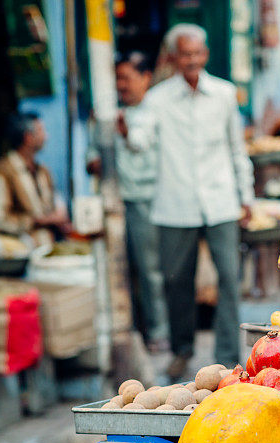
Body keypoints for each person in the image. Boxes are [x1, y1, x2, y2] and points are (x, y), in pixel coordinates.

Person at [124, 24, 254, 378]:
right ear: (174, 57)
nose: (193, 60)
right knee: (176, 281)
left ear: (206, 55)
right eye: (186, 54)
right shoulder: (158, 98)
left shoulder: (225, 94)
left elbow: (236, 148)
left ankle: (227, 356)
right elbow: (141, 139)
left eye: (198, 53)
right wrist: (124, 130)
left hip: (221, 199)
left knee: (229, 279)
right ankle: (182, 349)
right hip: (175, 203)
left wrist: (247, 195)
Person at [87, 51, 170, 353]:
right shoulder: (110, 114)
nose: (121, 84)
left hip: (145, 198)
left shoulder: (154, 112)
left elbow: (139, 142)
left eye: (126, 77)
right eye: (117, 78)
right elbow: (93, 154)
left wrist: (124, 132)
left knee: (150, 270)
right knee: (123, 269)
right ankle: (135, 329)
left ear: (145, 78)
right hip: (115, 203)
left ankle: (159, 332)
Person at [0, 112, 71, 246]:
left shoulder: (43, 172)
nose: (46, 136)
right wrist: (39, 221)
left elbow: (55, 210)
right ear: (28, 138)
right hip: (21, 255)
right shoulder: (4, 172)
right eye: (41, 131)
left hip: (49, 249)